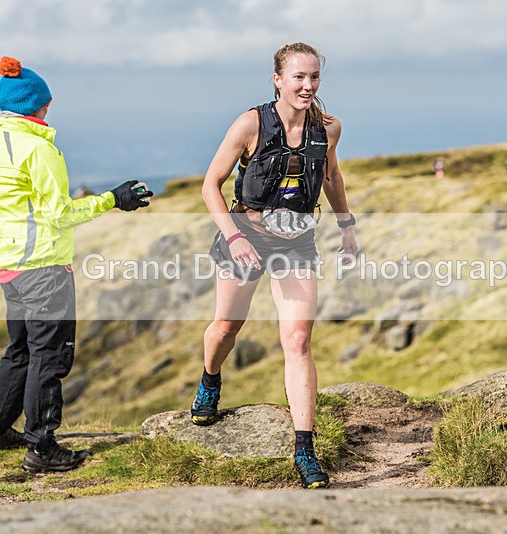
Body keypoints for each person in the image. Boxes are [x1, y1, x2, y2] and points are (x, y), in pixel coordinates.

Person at [192, 42, 358, 489]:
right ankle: (210, 379)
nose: (307, 86)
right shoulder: (250, 124)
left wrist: (347, 226)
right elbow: (211, 185)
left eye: (314, 78)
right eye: (298, 77)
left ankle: (304, 448)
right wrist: (234, 236)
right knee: (227, 327)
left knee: (298, 340)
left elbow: (331, 177)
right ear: (278, 79)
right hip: (244, 239)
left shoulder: (328, 129)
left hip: (298, 243)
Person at [0, 57, 152, 472]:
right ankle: (42, 447)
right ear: (34, 105)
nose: (49, 109)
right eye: (46, 103)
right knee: (50, 357)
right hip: (44, 270)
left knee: (21, 349)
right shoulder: (40, 150)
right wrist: (114, 199)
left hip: (11, 268)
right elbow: (60, 214)